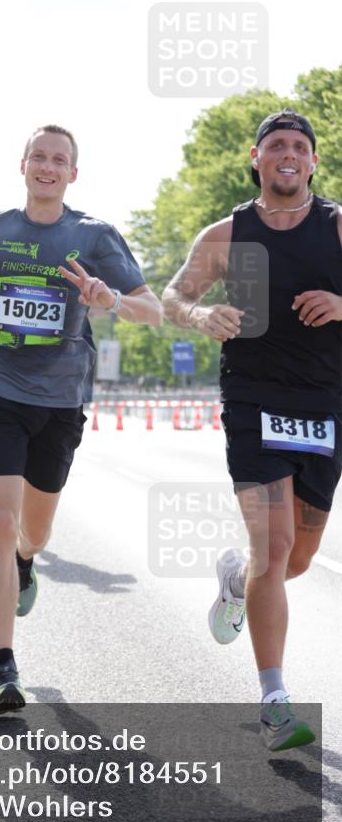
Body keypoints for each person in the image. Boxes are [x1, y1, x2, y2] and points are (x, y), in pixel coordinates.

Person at [0, 124, 162, 712]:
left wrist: (109, 299)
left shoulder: (93, 236)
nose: (47, 166)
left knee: (32, 532)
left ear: (73, 173)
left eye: (58, 159)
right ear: (22, 166)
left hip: (60, 400)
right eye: (38, 157)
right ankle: (3, 665)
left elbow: (154, 309)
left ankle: (25, 560)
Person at [162, 108, 342, 751]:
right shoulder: (226, 234)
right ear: (256, 158)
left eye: (299, 146)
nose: (288, 154)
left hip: (325, 406)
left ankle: (235, 581)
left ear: (313, 161)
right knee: (274, 546)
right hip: (253, 401)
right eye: (276, 146)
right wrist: (200, 312)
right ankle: (275, 701)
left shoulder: (338, 226)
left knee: (295, 559)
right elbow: (172, 296)